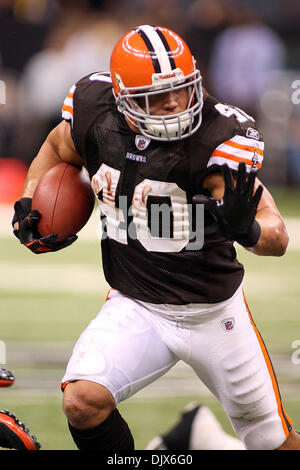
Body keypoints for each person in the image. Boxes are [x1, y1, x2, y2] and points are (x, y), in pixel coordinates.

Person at [12, 24, 298, 450]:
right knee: (82, 401)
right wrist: (31, 202)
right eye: (156, 96)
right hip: (136, 303)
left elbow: (276, 237)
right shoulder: (95, 112)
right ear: (123, 97)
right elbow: (57, 147)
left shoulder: (217, 138)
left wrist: (249, 229)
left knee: (272, 442)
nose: (174, 103)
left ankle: (196, 438)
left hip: (213, 313)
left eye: (181, 89)